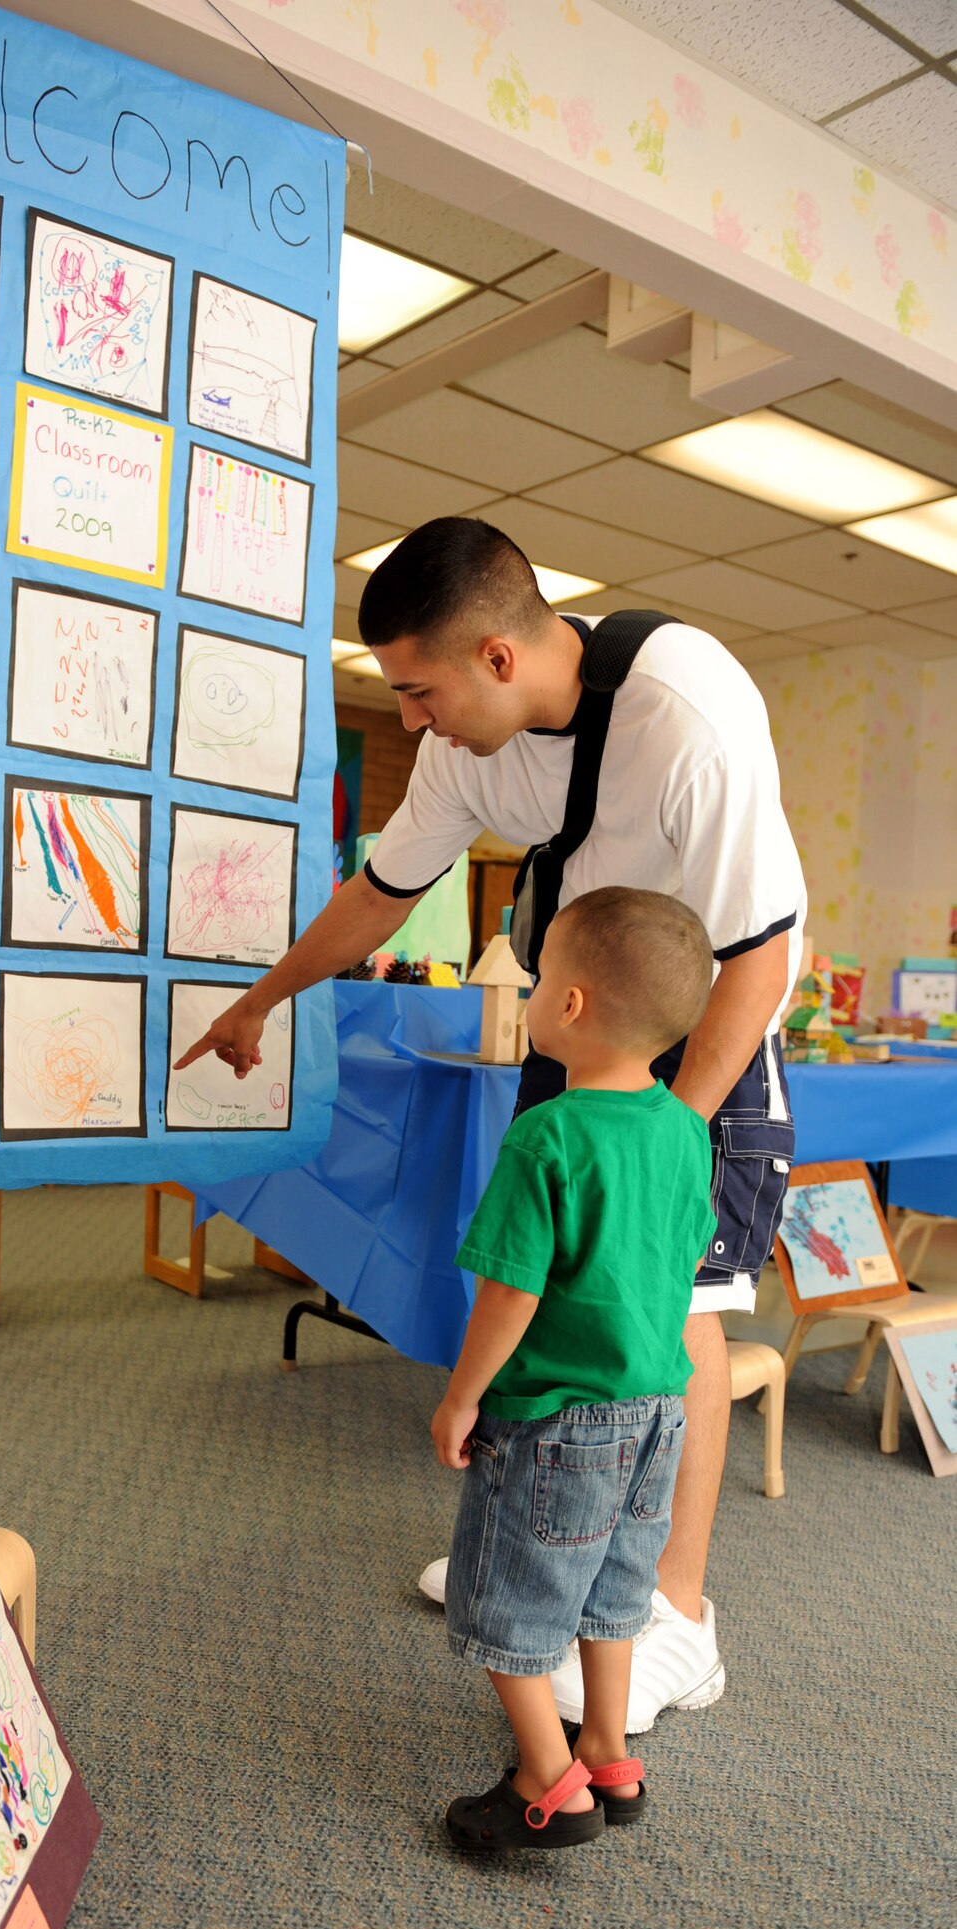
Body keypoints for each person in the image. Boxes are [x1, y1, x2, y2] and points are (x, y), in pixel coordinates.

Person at [175, 517, 805, 1731]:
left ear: (498, 657)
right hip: (577, 1028)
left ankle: (678, 1619)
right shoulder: (467, 746)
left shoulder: (687, 709)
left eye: (420, 691)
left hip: (702, 1027)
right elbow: (382, 891)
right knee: (554, 1284)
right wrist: (264, 997)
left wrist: (663, 1141)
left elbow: (759, 957)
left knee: (672, 1304)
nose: (413, 719)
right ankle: (543, 1551)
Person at [432, 886, 715, 1850]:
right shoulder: (683, 1128)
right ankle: (607, 1747)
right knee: (614, 1591)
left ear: (572, 1004)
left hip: (558, 1416)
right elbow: (683, 1256)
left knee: (508, 1600)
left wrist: (462, 1396)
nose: (532, 991)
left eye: (540, 975)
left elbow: (510, 1292)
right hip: (658, 1410)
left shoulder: (546, 1135)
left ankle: (549, 1780)